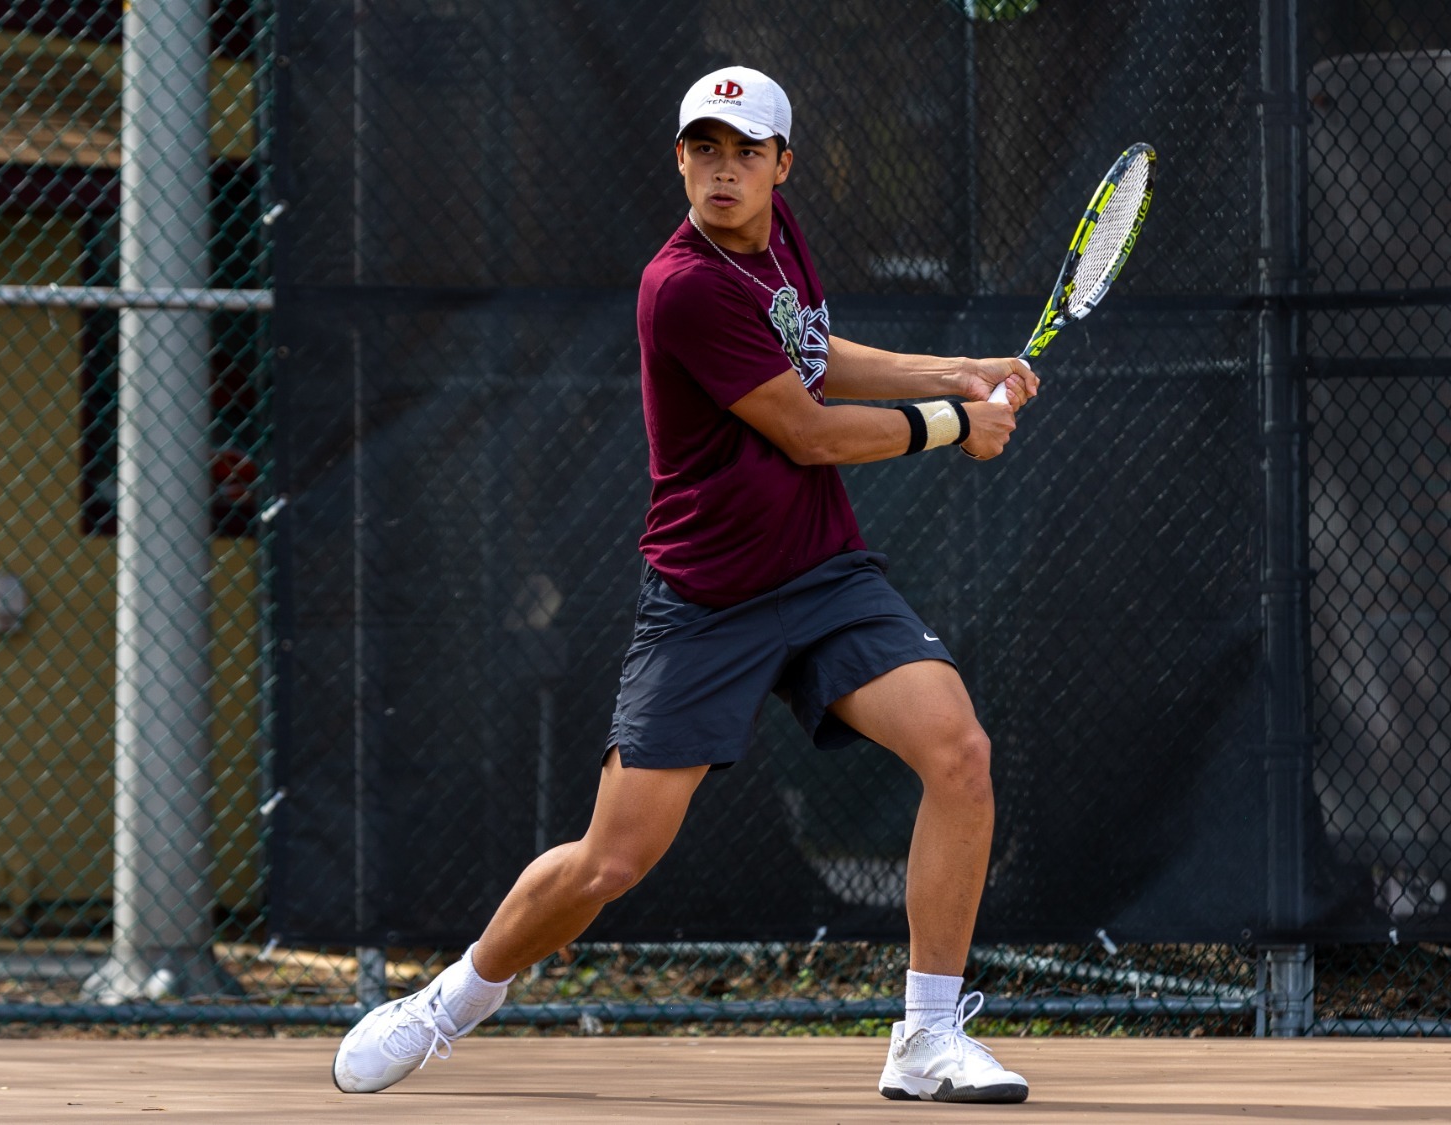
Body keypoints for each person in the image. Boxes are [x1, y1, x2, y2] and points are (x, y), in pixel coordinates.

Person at [331, 65, 1039, 1105]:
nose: (721, 169)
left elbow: (807, 354)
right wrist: (952, 424)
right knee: (608, 862)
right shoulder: (682, 285)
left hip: (827, 574)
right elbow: (803, 429)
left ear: (779, 166)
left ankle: (925, 1038)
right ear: (678, 157)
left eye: (744, 151)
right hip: (708, 602)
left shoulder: (777, 239)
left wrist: (949, 370)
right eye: (702, 148)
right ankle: (452, 1002)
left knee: (958, 753)